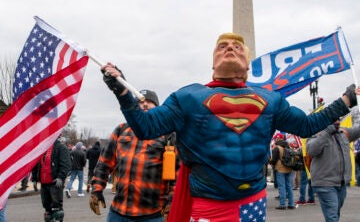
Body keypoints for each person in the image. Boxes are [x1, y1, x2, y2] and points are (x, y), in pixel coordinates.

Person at [100, 32, 360, 221]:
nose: (229, 48)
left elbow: (306, 125)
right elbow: (146, 127)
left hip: (253, 203)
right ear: (213, 64)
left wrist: (346, 100)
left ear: (247, 64)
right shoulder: (188, 97)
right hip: (207, 206)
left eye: (237, 46)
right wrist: (121, 89)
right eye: (221, 46)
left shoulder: (271, 100)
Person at [89, 89, 179, 222]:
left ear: (157, 108)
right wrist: (96, 189)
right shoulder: (121, 130)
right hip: (118, 212)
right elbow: (104, 163)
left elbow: (177, 173)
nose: (145, 104)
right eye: (141, 101)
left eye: (150, 102)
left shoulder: (168, 135)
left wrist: (172, 201)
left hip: (152, 214)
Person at [307, 106, 360, 222]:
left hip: (341, 183)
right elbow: (311, 150)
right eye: (334, 118)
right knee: (332, 216)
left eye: (338, 118)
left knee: (335, 213)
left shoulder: (343, 132)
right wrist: (328, 131)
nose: (337, 120)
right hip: (324, 183)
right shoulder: (316, 133)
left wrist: (356, 109)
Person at [32, 135, 71, 222]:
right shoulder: (42, 148)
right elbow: (36, 164)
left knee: (57, 210)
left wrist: (61, 177)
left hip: (55, 182)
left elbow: (66, 164)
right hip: (44, 182)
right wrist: (34, 178)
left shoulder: (61, 147)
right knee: (47, 209)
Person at [269, 135, 296, 209]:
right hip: (288, 168)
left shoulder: (276, 148)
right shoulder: (288, 146)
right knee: (289, 186)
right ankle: (291, 204)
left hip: (280, 169)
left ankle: (282, 204)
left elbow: (274, 160)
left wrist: (270, 161)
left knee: (282, 187)